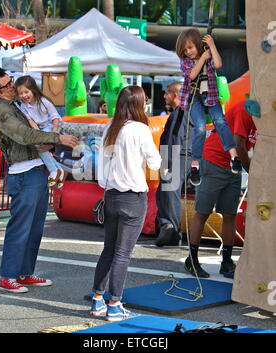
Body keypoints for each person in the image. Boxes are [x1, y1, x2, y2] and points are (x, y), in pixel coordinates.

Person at [0, 67, 77, 293]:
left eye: (11, 82)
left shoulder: (15, 105)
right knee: (21, 228)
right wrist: (58, 138)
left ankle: (24, 273)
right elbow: (24, 135)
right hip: (24, 173)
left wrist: (51, 142)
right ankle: (8, 276)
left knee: (34, 228)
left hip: (35, 170)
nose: (12, 87)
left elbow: (33, 133)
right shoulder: (3, 111)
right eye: (6, 86)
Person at [90, 85, 161, 321]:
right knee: (123, 253)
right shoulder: (140, 129)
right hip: (133, 196)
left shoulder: (110, 126)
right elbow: (154, 163)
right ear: (139, 105)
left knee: (109, 249)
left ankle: (98, 300)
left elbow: (101, 163)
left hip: (110, 195)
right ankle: (115, 304)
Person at [184, 101, 257, 279]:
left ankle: (226, 261)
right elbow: (238, 144)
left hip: (233, 166)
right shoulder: (245, 109)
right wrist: (253, 172)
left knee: (230, 214)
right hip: (213, 160)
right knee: (203, 212)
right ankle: (192, 259)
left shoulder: (265, 115)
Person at [176, 28, 242, 186]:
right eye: (185, 50)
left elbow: (218, 64)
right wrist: (203, 58)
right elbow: (192, 74)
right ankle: (195, 166)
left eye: (190, 47)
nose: (188, 52)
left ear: (198, 45)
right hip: (194, 99)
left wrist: (211, 46)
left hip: (211, 96)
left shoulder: (208, 55)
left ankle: (234, 156)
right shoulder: (186, 62)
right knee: (199, 128)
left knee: (220, 122)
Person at [155, 82, 192, 247]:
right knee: (166, 191)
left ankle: (171, 229)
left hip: (178, 156)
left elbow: (173, 139)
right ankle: (169, 227)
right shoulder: (188, 111)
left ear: (175, 95)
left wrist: (167, 162)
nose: (164, 96)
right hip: (185, 155)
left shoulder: (180, 113)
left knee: (169, 191)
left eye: (167, 93)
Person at [15, 75, 67, 188]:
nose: (24, 95)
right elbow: (31, 121)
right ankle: (59, 170)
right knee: (39, 146)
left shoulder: (44, 101)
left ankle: (53, 170)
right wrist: (38, 135)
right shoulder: (23, 106)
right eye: (21, 93)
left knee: (41, 146)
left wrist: (54, 134)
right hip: (41, 128)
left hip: (52, 126)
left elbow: (55, 118)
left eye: (26, 92)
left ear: (33, 89)